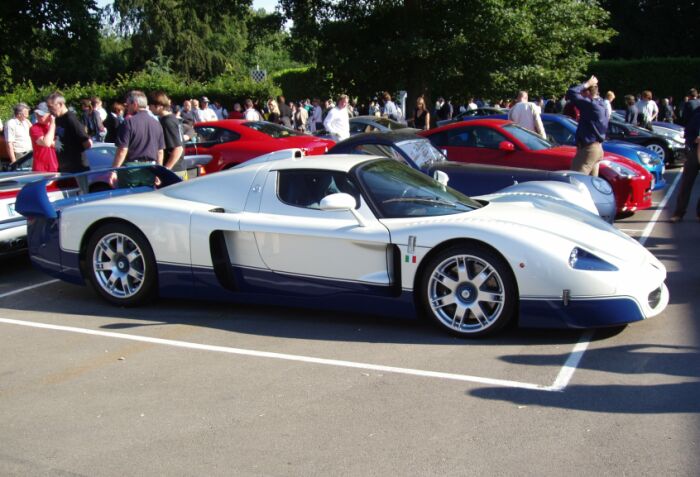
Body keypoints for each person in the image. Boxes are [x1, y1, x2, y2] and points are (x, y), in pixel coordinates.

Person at [112, 90, 165, 187]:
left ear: (135, 104)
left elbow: (122, 150)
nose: (126, 108)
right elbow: (160, 152)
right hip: (151, 168)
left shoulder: (128, 123)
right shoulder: (157, 124)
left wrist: (114, 170)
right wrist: (159, 172)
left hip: (131, 170)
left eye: (127, 105)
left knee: (129, 200)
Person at [566, 76, 609, 176]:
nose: (581, 95)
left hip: (588, 150)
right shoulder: (602, 104)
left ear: (588, 92)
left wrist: (587, 84)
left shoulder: (590, 105)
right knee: (591, 184)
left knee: (574, 179)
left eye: (583, 93)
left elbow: (571, 92)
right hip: (597, 148)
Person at [46, 92, 92, 173]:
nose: (49, 110)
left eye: (51, 107)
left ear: (60, 104)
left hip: (77, 168)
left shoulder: (70, 119)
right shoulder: (57, 119)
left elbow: (87, 143)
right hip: (63, 168)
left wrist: (73, 152)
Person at [669, 107, 700, 222]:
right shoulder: (697, 115)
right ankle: (679, 213)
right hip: (694, 152)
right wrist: (693, 140)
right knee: (686, 184)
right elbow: (687, 133)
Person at [149, 91, 186, 179]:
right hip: (177, 168)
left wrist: (165, 170)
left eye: (150, 105)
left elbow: (178, 148)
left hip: (174, 170)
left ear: (158, 105)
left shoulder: (167, 122)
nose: (149, 108)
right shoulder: (172, 119)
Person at [29, 102, 58, 172]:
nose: (38, 116)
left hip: (55, 167)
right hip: (41, 170)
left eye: (42, 115)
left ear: (50, 115)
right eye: (37, 114)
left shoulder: (57, 127)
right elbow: (46, 143)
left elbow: (60, 145)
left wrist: (53, 143)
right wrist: (52, 124)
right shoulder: (34, 128)